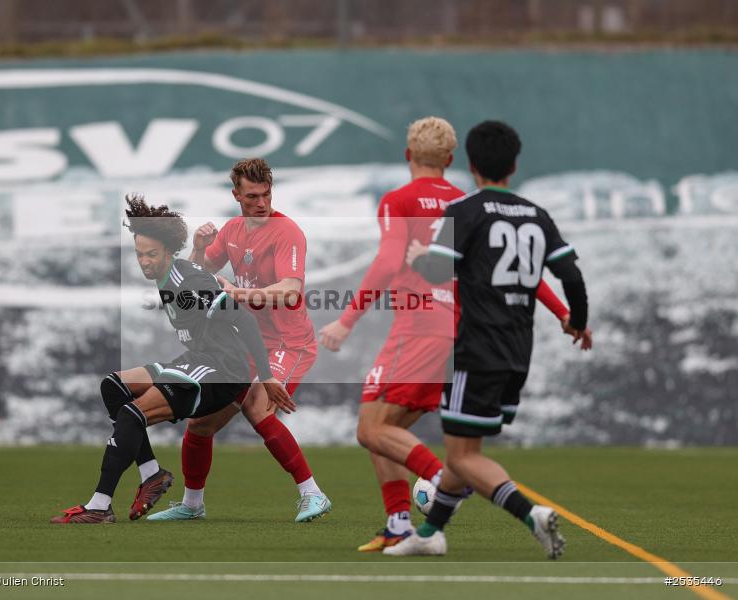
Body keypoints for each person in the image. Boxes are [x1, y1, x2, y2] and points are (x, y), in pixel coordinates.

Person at [318, 117, 582, 552]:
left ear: (407, 156)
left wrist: (346, 320)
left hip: (418, 326)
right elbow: (524, 275)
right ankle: (400, 523)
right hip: (456, 335)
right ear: (450, 159)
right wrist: (563, 312)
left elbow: (387, 263)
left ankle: (445, 484)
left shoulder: (398, 200)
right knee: (385, 428)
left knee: (370, 429)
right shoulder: (468, 203)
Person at [388, 120, 590, 558]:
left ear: (470, 164)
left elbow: (439, 272)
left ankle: (530, 514)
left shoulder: (464, 210)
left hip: (476, 348)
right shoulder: (537, 214)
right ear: (514, 165)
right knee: (465, 448)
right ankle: (429, 534)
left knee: (462, 458)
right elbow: (570, 273)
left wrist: (422, 257)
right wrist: (577, 319)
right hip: (519, 351)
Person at [50, 195, 292, 524]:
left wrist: (266, 376)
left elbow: (244, 319)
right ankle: (151, 474)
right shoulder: (170, 274)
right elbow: (193, 274)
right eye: (139, 255)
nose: (144, 262)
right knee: (114, 387)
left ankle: (99, 506)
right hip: (197, 360)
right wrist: (197, 251)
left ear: (167, 252)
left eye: (151, 254)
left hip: (221, 370)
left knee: (134, 414)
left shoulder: (185, 282)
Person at [147, 158, 331, 523]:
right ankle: (192, 505)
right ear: (236, 195)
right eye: (252, 196)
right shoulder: (232, 230)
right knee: (202, 421)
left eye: (266, 194)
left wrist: (239, 295)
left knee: (256, 408)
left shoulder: (287, 232)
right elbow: (198, 276)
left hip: (288, 343)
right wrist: (199, 247)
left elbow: (290, 291)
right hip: (246, 342)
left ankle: (313, 494)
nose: (261, 203)